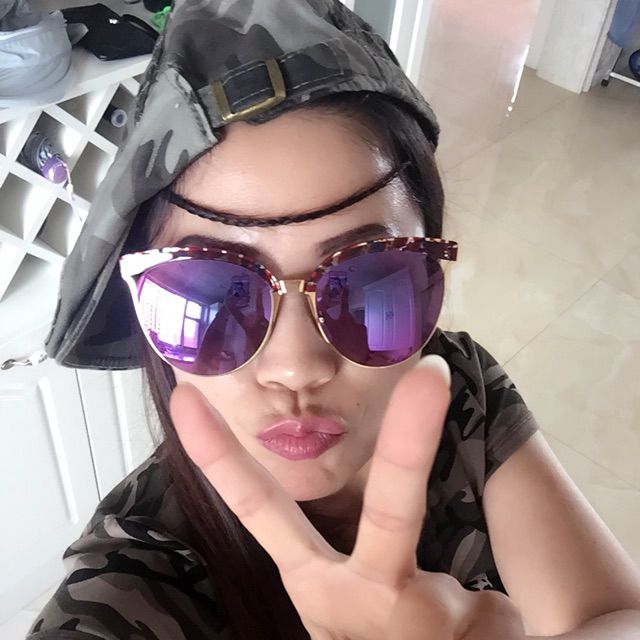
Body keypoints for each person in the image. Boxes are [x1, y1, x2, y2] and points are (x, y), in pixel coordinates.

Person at [28, 1, 640, 639]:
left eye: (371, 283)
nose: (297, 367)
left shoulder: (457, 385)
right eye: (211, 298)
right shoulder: (133, 574)